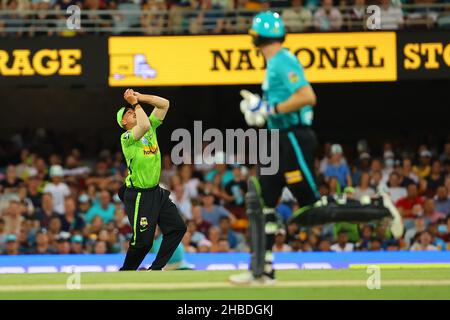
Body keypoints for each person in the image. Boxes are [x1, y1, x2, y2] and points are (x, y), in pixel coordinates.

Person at [231, 11, 402, 285]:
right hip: (279, 138)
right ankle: (262, 270)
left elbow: (307, 96)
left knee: (313, 208)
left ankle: (379, 207)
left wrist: (268, 109)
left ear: (257, 37)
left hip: (293, 138)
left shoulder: (282, 61)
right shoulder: (275, 63)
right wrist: (261, 109)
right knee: (262, 201)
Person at [117, 89, 186, 271]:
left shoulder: (151, 127)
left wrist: (140, 98)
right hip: (139, 194)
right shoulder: (127, 138)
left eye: (134, 111)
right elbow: (144, 126)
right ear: (124, 122)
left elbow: (164, 104)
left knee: (177, 228)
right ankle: (125, 273)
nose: (134, 112)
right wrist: (135, 104)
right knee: (143, 243)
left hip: (156, 191)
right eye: (130, 114)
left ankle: (156, 269)